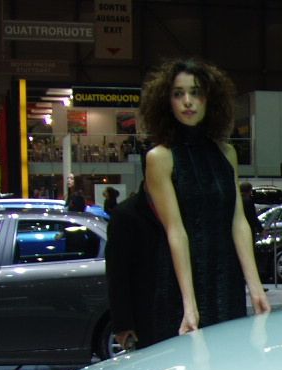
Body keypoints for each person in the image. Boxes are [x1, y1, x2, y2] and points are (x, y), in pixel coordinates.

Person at [140, 57, 269, 337]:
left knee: (229, 361)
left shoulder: (226, 154)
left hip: (226, 277)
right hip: (181, 280)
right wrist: (189, 303)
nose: (188, 101)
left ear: (209, 98)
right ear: (167, 101)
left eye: (195, 92)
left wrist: (255, 288)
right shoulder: (160, 158)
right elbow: (176, 231)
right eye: (178, 94)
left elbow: (238, 222)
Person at [105, 182, 168, 350]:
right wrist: (123, 325)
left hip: (175, 312)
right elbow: (117, 274)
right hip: (145, 315)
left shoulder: (179, 208)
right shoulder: (125, 215)